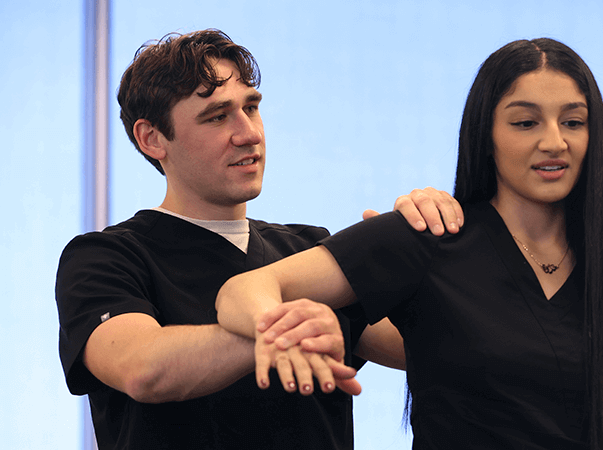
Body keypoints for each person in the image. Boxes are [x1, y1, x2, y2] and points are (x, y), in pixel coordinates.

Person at [216, 38, 603, 449]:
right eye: (525, 123)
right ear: (487, 136)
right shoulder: (426, 238)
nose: (554, 142)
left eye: (573, 122)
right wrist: (278, 334)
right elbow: (242, 290)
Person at [55, 29, 464, 450]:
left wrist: (425, 252)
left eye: (251, 107)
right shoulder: (105, 258)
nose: (248, 132)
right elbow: (143, 368)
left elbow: (442, 351)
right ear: (152, 138)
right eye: (217, 116)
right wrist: (293, 331)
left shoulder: (308, 250)